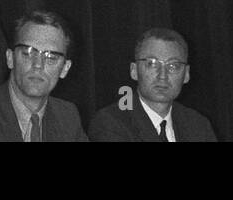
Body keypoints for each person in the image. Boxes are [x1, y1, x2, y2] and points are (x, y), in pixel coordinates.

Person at [0, 9, 88, 141]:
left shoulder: (67, 116)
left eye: (51, 57)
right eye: (28, 53)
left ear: (65, 69)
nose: (38, 64)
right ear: (10, 58)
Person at [88, 27, 216, 142]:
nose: (162, 75)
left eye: (173, 66)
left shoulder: (198, 124)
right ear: (134, 71)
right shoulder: (111, 122)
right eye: (152, 64)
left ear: (186, 74)